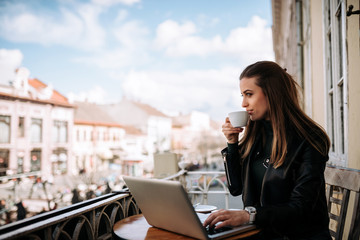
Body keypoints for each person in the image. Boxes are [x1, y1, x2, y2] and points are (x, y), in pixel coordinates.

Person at [203, 61, 331, 239]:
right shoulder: (256, 135)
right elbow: (236, 188)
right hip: (262, 232)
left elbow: (301, 207)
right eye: (242, 95)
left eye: (249, 94)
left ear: (272, 93)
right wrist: (232, 144)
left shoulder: (310, 138)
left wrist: (249, 215)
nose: (243, 103)